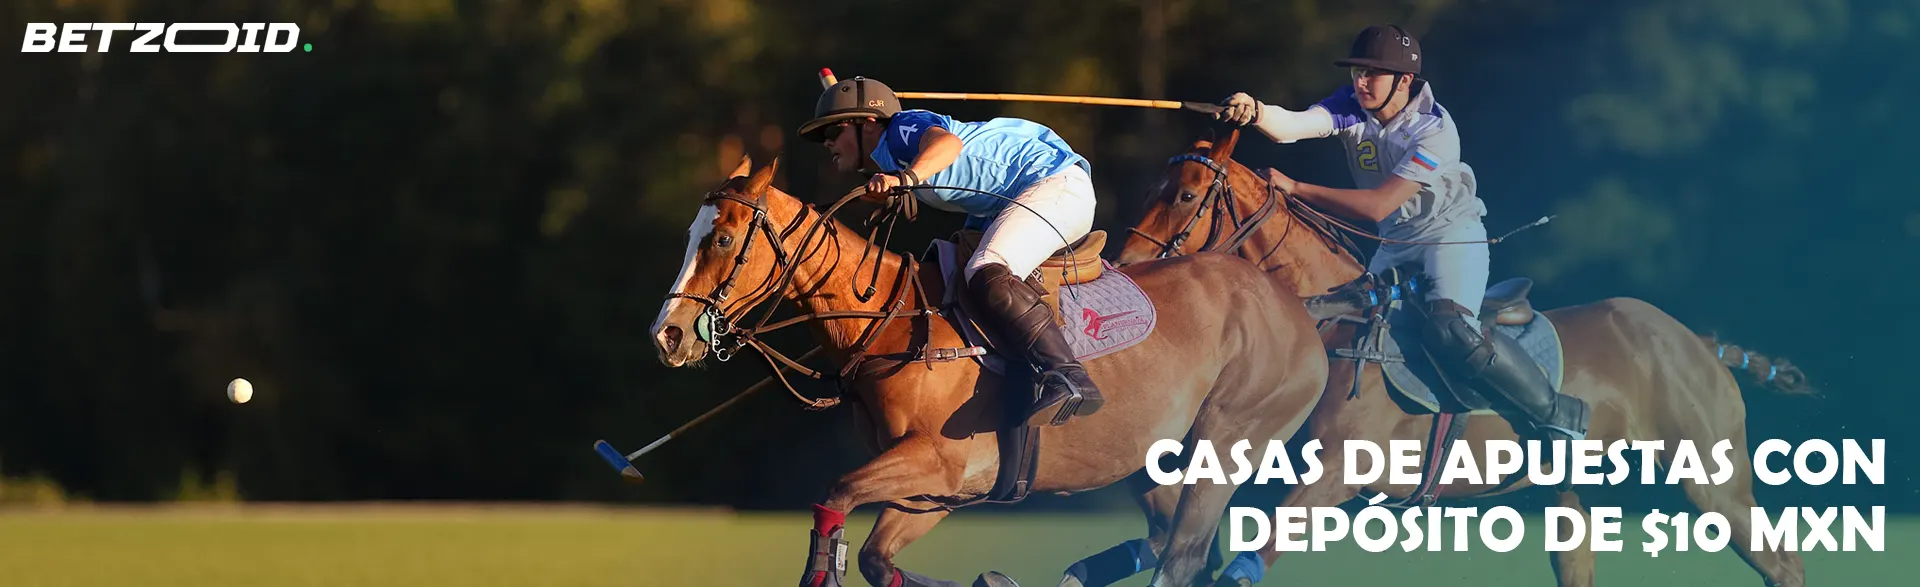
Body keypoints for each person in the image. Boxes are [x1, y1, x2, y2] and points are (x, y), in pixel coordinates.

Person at [1213, 25, 1588, 443]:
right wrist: (1255, 110)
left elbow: (1377, 205)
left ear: (1404, 81)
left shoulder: (1435, 130)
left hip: (1450, 238)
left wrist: (1298, 188)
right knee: (1331, 317)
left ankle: (1556, 414)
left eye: (1373, 73)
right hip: (1395, 241)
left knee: (1449, 331)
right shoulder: (1350, 106)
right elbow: (1290, 127)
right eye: (1357, 72)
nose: (1361, 81)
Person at [798, 75, 1104, 427]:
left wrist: (905, 180)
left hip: (1056, 185)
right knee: (954, 275)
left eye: (832, 133)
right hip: (1013, 199)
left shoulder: (900, 129)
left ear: (867, 123)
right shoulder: (894, 156)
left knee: (987, 269)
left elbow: (948, 145)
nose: (827, 143)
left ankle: (1068, 377)